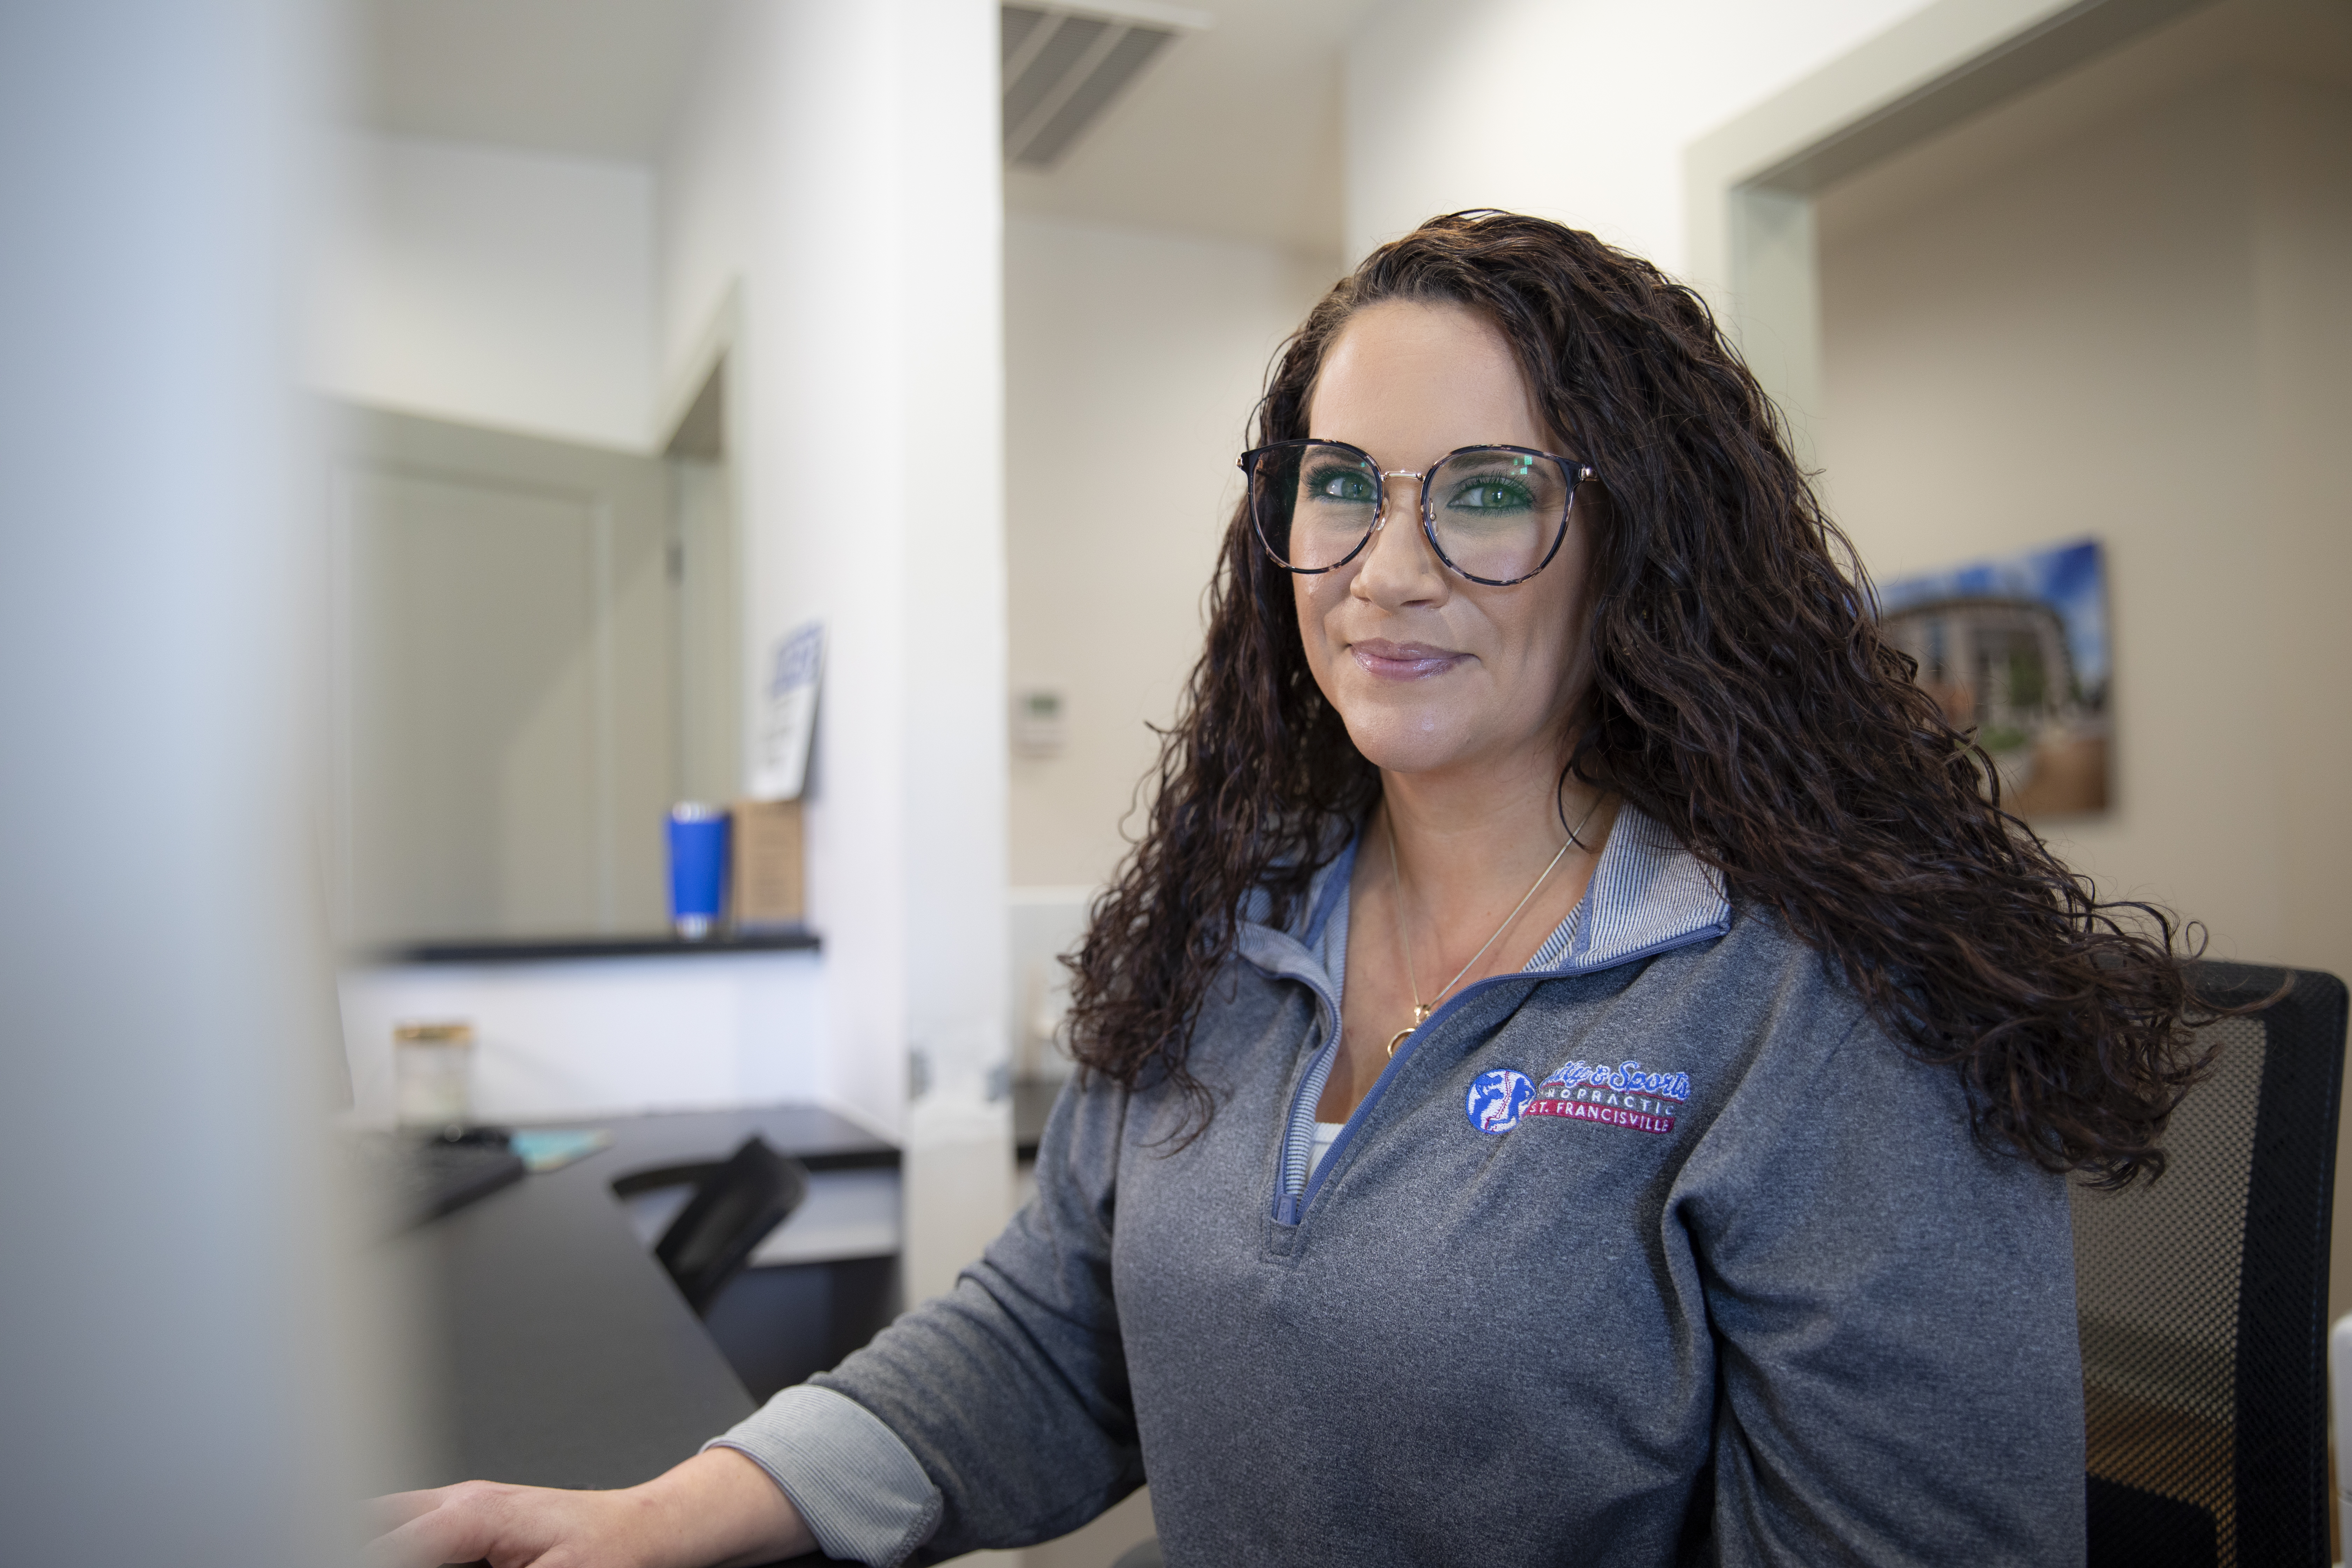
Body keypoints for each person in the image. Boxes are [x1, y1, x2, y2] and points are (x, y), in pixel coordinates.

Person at [372, 212, 2202, 1568]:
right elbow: (1051, 1329)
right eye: (1340, 486)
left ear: (1639, 543)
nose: (1385, 569)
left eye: (1486, 493)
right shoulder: (1227, 926)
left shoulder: (1815, 1009)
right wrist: (673, 1512)